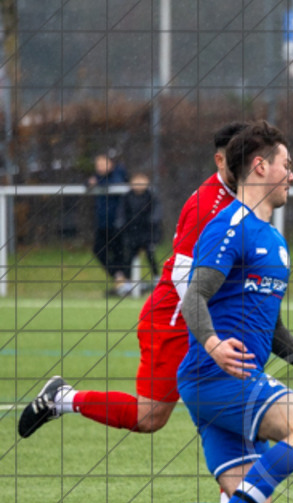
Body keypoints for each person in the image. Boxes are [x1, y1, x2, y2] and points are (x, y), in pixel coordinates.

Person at [84, 121, 293, 503]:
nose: (292, 176)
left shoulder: (275, 239)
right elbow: (192, 296)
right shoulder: (228, 226)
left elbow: (269, 325)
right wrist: (211, 343)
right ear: (260, 165)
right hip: (215, 378)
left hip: (230, 381)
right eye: (286, 166)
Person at [19, 122, 246, 439]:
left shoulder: (245, 196)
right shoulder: (209, 205)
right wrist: (211, 335)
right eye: (240, 156)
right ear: (220, 160)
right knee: (149, 416)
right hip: (174, 320)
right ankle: (63, 399)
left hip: (200, 320)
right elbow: (183, 276)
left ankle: (239, 487)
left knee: (243, 405)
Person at [87, 152, 130, 296]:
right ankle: (120, 278)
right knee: (99, 250)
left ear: (110, 163)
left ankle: (123, 283)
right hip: (103, 224)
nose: (99, 167)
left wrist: (97, 182)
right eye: (97, 165)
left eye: (102, 164)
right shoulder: (100, 178)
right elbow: (89, 182)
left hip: (117, 223)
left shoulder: (118, 173)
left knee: (119, 253)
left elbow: (115, 184)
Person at [115, 172, 163, 289]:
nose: (139, 185)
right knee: (129, 256)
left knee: (150, 255)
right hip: (132, 233)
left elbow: (157, 213)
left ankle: (157, 278)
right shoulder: (127, 197)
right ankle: (128, 281)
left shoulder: (151, 197)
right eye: (136, 182)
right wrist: (121, 224)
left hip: (147, 232)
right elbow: (121, 213)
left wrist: (152, 222)